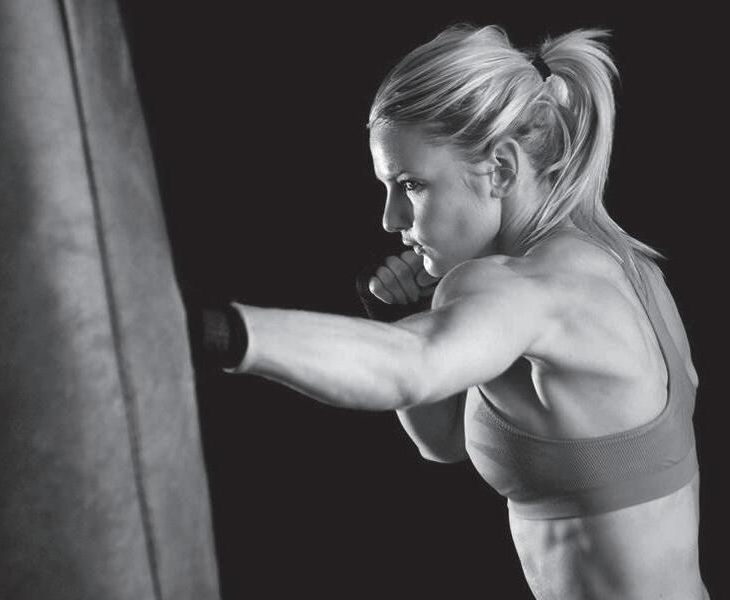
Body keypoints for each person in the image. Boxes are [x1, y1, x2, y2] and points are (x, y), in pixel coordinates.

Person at [191, 24, 709, 599]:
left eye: (411, 185)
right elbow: (442, 441)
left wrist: (209, 331)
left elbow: (412, 366)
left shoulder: (529, 289)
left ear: (501, 170)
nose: (391, 219)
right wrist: (403, 315)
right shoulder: (628, 267)